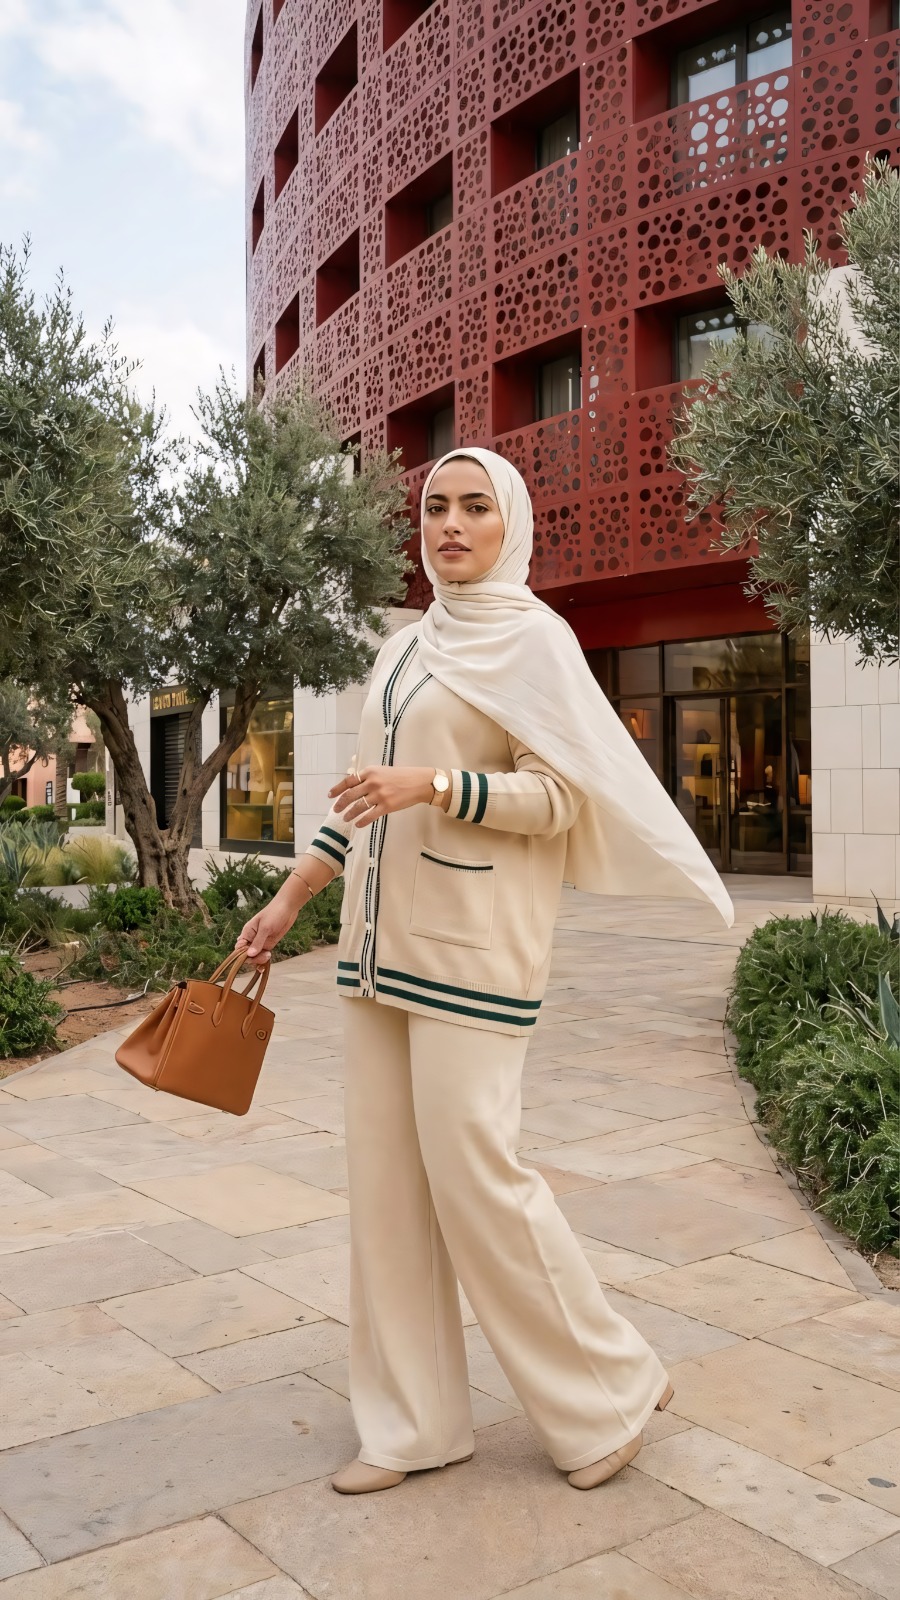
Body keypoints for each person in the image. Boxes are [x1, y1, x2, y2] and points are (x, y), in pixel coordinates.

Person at [235, 448, 734, 1497]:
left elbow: (560, 798)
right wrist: (289, 898)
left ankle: (610, 1390)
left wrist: (439, 785)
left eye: (475, 507)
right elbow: (361, 796)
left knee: (478, 1175)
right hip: (376, 956)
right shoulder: (402, 648)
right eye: (436, 507)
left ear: (511, 523)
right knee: (387, 1189)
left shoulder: (536, 641)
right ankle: (411, 1426)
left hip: (473, 952)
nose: (452, 524)